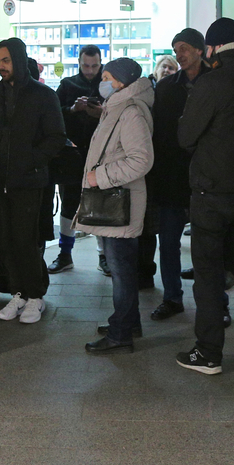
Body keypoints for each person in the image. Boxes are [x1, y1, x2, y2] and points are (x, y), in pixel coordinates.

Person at [176, 17, 234, 375]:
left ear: (213, 48)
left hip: (211, 193)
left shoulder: (211, 83)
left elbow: (186, 136)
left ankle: (208, 352)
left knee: (209, 274)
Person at [0, 37, 66, 324]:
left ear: (18, 59)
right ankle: (18, 292)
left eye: (6, 60)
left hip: (28, 182)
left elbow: (56, 137)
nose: (2, 66)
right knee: (4, 240)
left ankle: (35, 295)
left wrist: (30, 162)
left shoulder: (43, 95)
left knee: (26, 240)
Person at [80, 59, 155, 354]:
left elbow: (141, 160)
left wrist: (100, 177)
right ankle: (128, 321)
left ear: (122, 83)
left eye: (108, 77)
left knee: (121, 270)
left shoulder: (131, 112)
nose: (103, 80)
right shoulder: (117, 106)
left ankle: (121, 332)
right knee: (121, 267)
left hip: (121, 203)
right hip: (117, 200)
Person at [147, 28, 211, 321]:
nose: (179, 54)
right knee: (168, 242)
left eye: (184, 47)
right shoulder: (167, 87)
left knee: (209, 244)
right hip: (172, 177)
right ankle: (172, 297)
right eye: (175, 49)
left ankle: (215, 302)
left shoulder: (216, 81)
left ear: (200, 49)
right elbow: (158, 134)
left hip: (208, 176)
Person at [49, 45, 104, 276]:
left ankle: (104, 255)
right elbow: (54, 114)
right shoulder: (68, 85)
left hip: (101, 154)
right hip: (72, 155)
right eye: (85, 65)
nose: (90, 70)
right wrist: (73, 108)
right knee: (70, 203)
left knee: (102, 202)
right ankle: (65, 253)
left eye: (94, 65)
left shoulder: (109, 85)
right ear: (79, 63)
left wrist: (101, 112)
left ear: (101, 62)